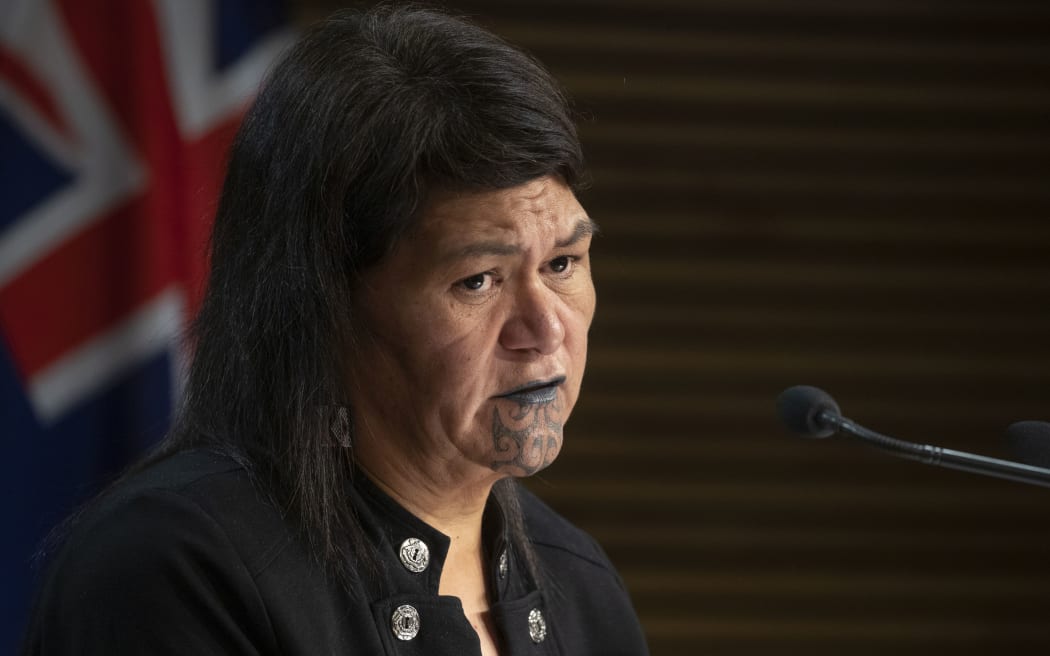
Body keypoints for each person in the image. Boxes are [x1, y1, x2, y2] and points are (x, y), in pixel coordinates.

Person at [22, 5, 649, 655]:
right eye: (478, 280)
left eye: (563, 263)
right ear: (324, 303)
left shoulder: (581, 584)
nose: (546, 328)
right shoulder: (170, 568)